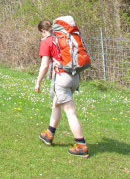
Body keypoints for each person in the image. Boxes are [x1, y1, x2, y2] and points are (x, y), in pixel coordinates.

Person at [34, 20, 89, 157]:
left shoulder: (46, 42)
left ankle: (81, 144)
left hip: (62, 78)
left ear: (42, 31)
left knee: (70, 111)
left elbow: (45, 65)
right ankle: (49, 133)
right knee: (56, 104)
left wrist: (38, 82)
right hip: (74, 77)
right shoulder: (63, 38)